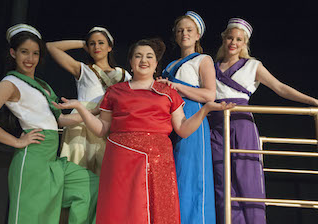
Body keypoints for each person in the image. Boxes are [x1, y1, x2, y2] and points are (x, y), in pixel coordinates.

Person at [53, 38, 234, 224]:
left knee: (157, 211)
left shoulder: (168, 92)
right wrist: (80, 109)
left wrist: (205, 110)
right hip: (120, 160)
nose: (143, 60)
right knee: (120, 211)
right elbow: (102, 129)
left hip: (158, 161)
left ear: (156, 64)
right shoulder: (115, 92)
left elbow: (183, 129)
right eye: (138, 56)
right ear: (130, 62)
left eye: (149, 57)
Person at [0, 24, 99, 224]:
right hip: (32, 161)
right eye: (24, 52)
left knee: (91, 185)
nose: (30, 59)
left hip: (52, 161)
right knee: (30, 219)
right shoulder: (10, 83)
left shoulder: (43, 86)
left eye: (35, 53)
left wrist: (95, 110)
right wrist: (16, 142)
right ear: (13, 53)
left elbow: (60, 120)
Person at [209, 18, 318, 224]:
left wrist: (311, 101)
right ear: (223, 39)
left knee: (246, 179)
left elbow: (280, 88)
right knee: (222, 183)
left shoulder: (252, 65)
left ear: (245, 43)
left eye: (238, 40)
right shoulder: (211, 67)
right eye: (230, 38)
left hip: (241, 126)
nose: (233, 42)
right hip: (216, 127)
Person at [47, 27, 131, 175]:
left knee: (106, 172)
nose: (96, 47)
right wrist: (82, 43)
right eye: (92, 44)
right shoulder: (83, 69)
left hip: (109, 123)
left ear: (110, 46)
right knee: (77, 170)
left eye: (101, 42)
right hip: (82, 123)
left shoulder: (123, 75)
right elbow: (51, 47)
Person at [159, 11, 216, 224]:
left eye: (189, 30)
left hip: (192, 116)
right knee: (174, 174)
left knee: (191, 173)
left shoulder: (203, 59)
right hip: (169, 119)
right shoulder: (170, 64)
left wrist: (177, 87)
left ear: (198, 34)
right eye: (180, 30)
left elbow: (210, 94)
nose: (184, 34)